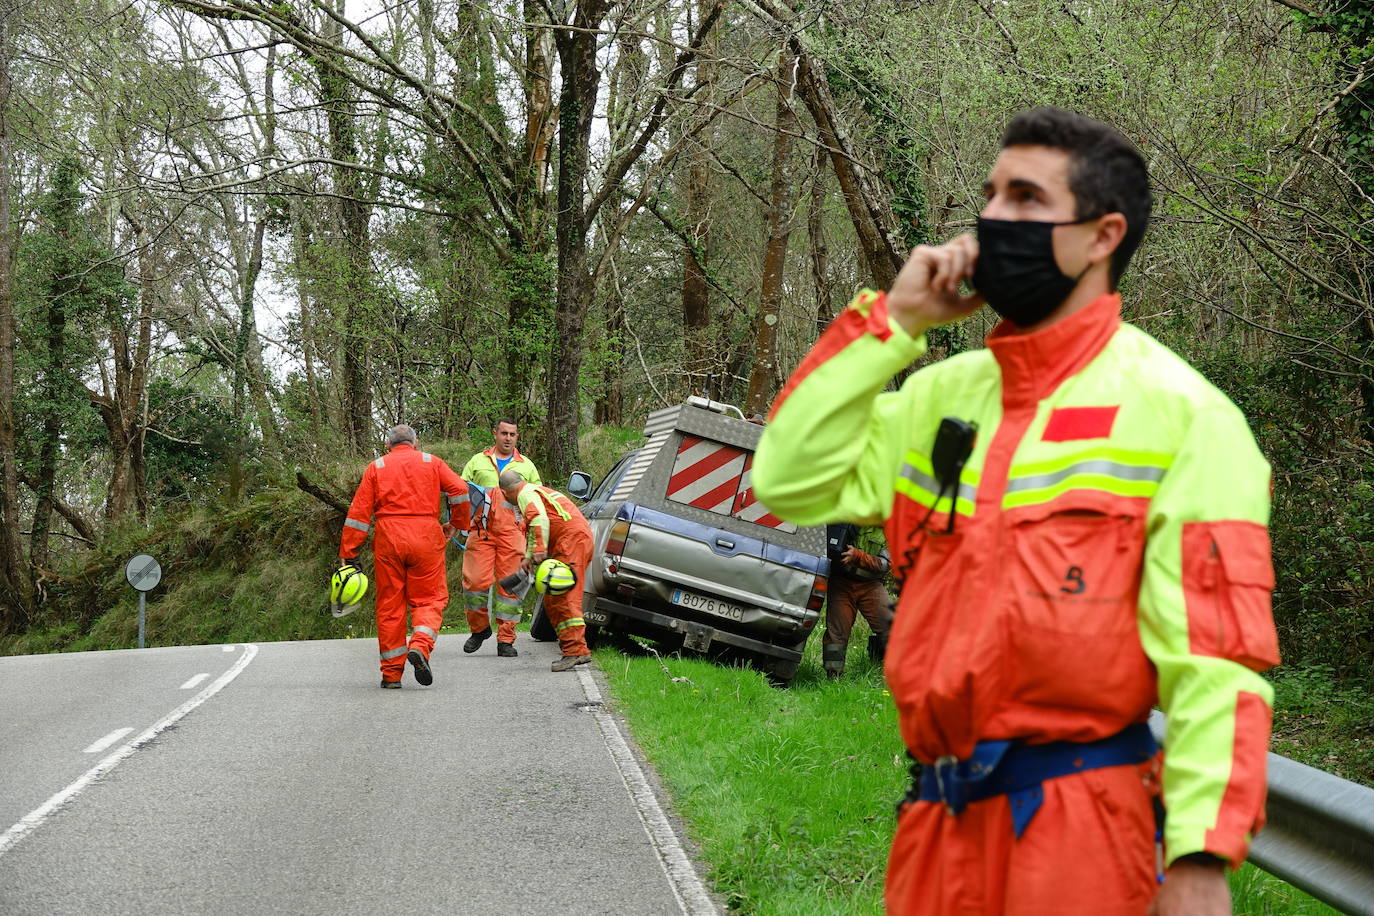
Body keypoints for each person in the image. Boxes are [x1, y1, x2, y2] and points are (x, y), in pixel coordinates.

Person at [752, 107, 1279, 916]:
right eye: (991, 194)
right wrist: (893, 324)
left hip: (1082, 829)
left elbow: (1216, 660)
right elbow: (789, 479)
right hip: (936, 820)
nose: (994, 217)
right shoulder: (935, 398)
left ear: (1102, 236)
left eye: (1027, 199)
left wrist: (1201, 859)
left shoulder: (1186, 417)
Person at [339, 425, 472, 688]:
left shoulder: (376, 467)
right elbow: (460, 490)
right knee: (430, 599)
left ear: (387, 446)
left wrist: (349, 552)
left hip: (389, 538)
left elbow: (358, 514)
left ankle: (391, 675)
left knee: (390, 607)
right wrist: (456, 523)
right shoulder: (431, 462)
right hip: (426, 536)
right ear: (416, 442)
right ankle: (420, 646)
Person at [459, 419, 541, 658]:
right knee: (474, 583)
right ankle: (480, 629)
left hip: (513, 533)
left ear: (517, 437)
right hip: (480, 531)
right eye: (504, 433)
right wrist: (459, 523)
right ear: (495, 434)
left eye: (512, 434)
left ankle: (506, 639)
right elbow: (462, 493)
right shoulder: (477, 461)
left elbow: (537, 500)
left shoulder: (527, 466)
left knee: (512, 587)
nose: (507, 438)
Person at [498, 471, 594, 672]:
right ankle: (575, 648)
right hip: (569, 540)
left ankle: (575, 651)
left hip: (571, 542)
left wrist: (539, 551)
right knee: (552, 597)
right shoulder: (535, 491)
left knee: (564, 596)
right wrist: (528, 557)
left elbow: (539, 520)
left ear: (505, 493)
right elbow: (540, 524)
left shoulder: (524, 494)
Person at [822, 524, 893, 678]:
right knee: (837, 634)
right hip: (841, 583)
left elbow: (884, 565)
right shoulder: (849, 518)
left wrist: (858, 556)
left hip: (871, 585)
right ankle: (833, 678)